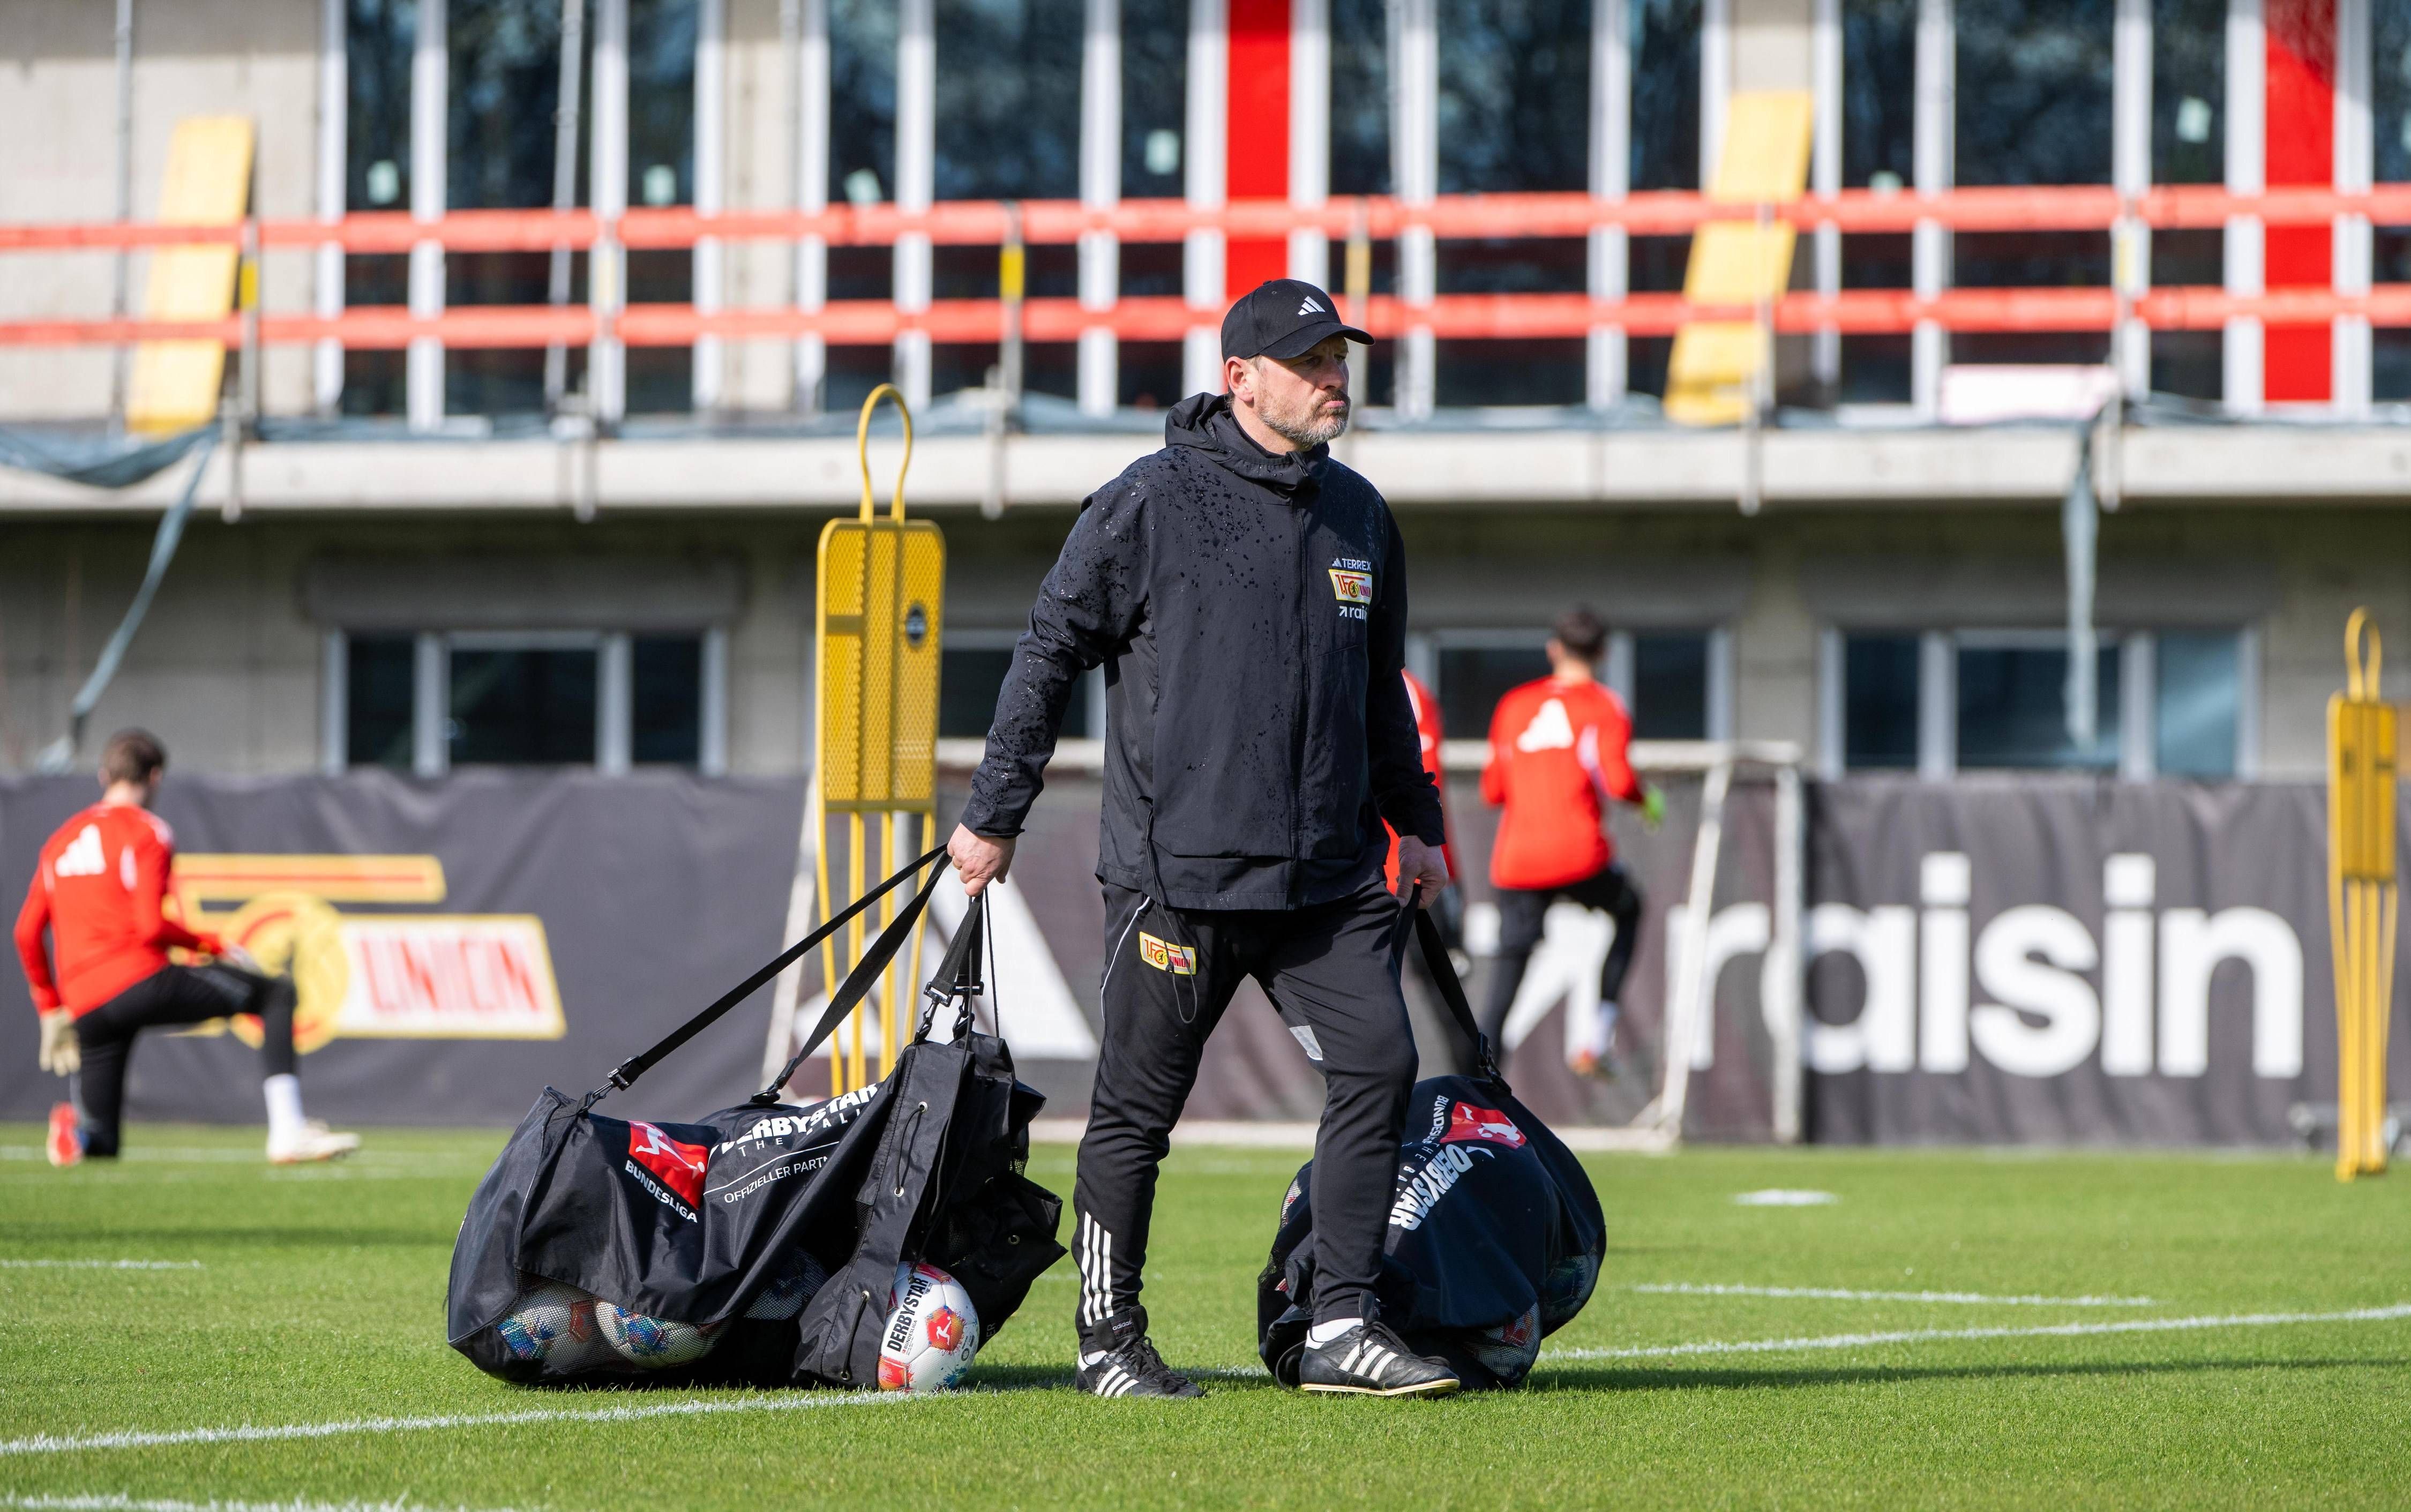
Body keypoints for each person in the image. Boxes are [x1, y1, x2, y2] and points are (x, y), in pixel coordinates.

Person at [949, 279, 1460, 1399]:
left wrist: (1416, 825)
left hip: (1328, 881)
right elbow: (1046, 652)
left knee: (1380, 1064)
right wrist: (994, 811)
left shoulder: (1361, 514)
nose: (1335, 379)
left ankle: (1340, 1324)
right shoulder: (1148, 501)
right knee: (1137, 1114)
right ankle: (1107, 1338)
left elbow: (1380, 692)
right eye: (1312, 362)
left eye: (1340, 359)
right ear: (1240, 378)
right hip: (1177, 881)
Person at [12, 729, 358, 1167]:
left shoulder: (60, 841)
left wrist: (50, 1007)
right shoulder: (147, 831)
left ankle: (77, 1134)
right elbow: (150, 926)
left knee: (102, 1143)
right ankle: (289, 1131)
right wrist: (213, 944)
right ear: (155, 776)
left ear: (104, 775)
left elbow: (26, 933)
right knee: (276, 994)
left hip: (85, 1004)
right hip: (138, 980)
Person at [1477, 609, 1663, 1077]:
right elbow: (1620, 782)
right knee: (1629, 910)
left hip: (1518, 860)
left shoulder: (1514, 704)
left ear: (1554, 649)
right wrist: (1648, 802)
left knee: (1506, 979)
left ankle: (1478, 1083)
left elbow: (1491, 791)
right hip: (1579, 855)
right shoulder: (1604, 706)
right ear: (1603, 653)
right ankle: (1597, 1039)